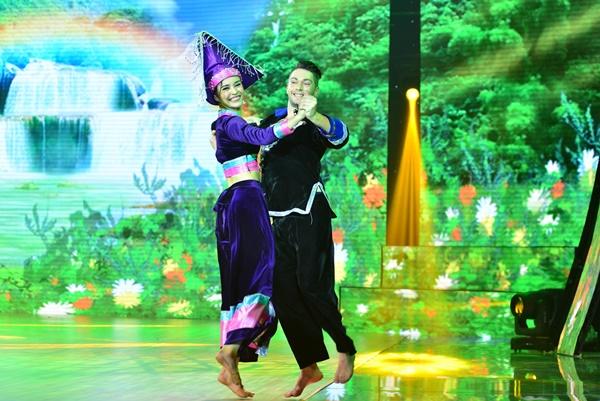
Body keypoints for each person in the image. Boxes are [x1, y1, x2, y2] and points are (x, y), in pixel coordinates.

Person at [192, 32, 306, 398]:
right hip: (245, 200)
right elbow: (262, 137)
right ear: (216, 95)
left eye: (237, 84)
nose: (234, 91)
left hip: (243, 200)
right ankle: (230, 351)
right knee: (263, 273)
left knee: (248, 277)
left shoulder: (227, 125)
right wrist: (295, 119)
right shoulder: (228, 123)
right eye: (225, 88)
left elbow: (251, 134)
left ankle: (232, 365)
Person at [259, 60, 356, 397]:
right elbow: (253, 152)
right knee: (283, 292)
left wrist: (312, 115)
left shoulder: (318, 123)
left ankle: (345, 347)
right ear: (287, 86)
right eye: (294, 81)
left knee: (313, 286)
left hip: (309, 212)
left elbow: (340, 135)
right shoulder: (271, 121)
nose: (298, 86)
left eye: (306, 83)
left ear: (315, 89)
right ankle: (309, 366)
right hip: (276, 216)